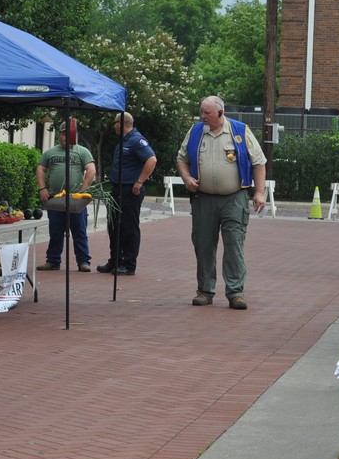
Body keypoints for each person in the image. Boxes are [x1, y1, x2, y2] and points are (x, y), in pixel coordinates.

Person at [175, 96, 266, 310]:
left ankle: (235, 292)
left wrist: (259, 192)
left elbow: (259, 162)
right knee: (203, 244)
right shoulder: (196, 131)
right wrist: (187, 179)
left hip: (234, 198)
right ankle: (205, 291)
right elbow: (181, 159)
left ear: (220, 113)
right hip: (203, 198)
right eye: (201, 112)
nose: (202, 116)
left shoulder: (240, 131)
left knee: (234, 244)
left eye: (207, 113)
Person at [98, 112, 157, 276]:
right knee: (114, 226)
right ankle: (115, 260)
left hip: (130, 190)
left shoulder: (136, 140)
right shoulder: (123, 141)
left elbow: (151, 160)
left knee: (128, 227)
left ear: (120, 123)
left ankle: (129, 264)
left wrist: (140, 181)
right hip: (117, 188)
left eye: (114, 123)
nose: (113, 126)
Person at [36, 122, 96, 272]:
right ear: (60, 135)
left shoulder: (82, 152)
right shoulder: (50, 153)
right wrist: (42, 188)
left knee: (79, 231)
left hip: (76, 199)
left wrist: (83, 190)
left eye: (69, 134)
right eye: (63, 134)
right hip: (55, 198)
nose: (66, 137)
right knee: (55, 231)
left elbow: (91, 169)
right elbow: (40, 168)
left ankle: (83, 261)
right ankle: (53, 261)